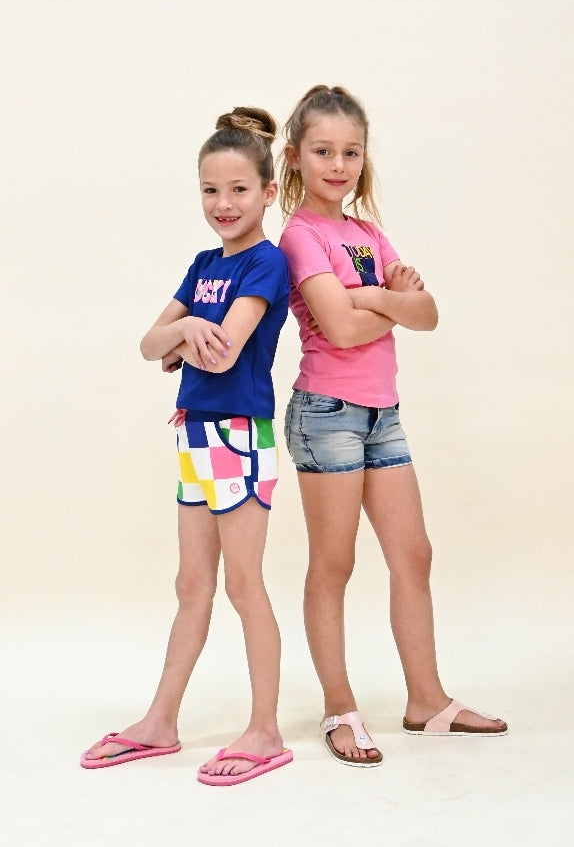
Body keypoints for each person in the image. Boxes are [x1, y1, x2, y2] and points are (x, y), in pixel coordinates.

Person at [278, 85, 507, 767]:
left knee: (414, 554)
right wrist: (390, 301)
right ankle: (339, 708)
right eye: (323, 151)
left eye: (351, 152)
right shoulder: (300, 235)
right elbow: (341, 329)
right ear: (295, 156)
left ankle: (426, 701)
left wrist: (369, 296)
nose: (338, 164)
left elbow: (428, 314)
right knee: (335, 563)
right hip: (327, 415)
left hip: (384, 414)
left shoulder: (369, 235)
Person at [81, 107, 293, 786]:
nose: (223, 203)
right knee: (191, 583)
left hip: (240, 435)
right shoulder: (202, 265)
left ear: (267, 191)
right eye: (210, 190)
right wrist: (185, 331)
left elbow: (225, 351)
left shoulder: (267, 262)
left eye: (238, 189)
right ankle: (160, 721)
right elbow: (150, 344)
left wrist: (192, 337)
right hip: (194, 432)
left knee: (243, 582)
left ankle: (265, 728)